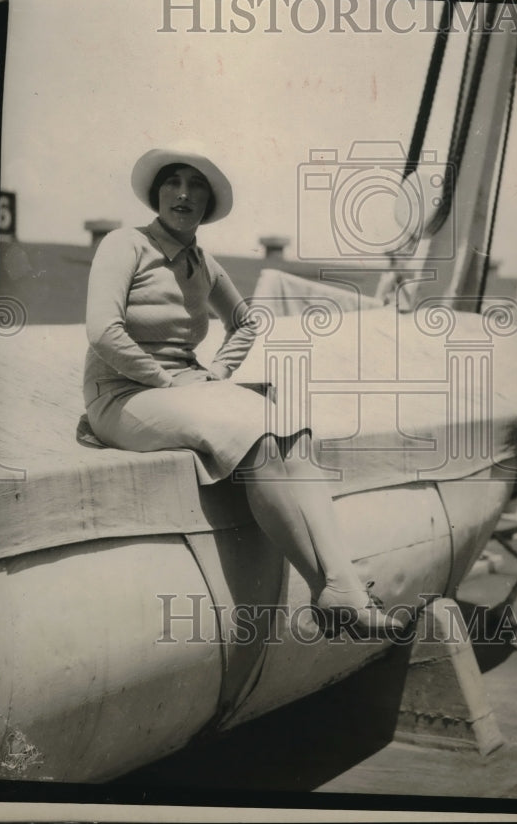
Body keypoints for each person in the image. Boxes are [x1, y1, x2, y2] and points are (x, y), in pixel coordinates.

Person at [83, 142, 403, 637]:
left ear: (208, 205)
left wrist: (216, 373)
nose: (184, 194)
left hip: (183, 388)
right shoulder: (125, 244)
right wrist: (170, 381)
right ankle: (337, 589)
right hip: (122, 396)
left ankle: (341, 585)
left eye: (197, 187)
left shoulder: (203, 262)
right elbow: (104, 332)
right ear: (156, 192)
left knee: (290, 430)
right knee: (255, 435)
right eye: (174, 181)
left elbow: (247, 323)